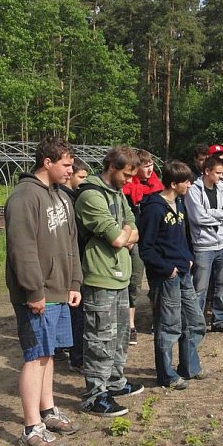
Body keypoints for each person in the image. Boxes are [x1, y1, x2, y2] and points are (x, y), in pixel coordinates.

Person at [4, 137, 83, 446]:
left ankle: (48, 411)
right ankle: (31, 427)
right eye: (66, 164)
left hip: (60, 290)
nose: (71, 170)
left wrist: (74, 282)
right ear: (47, 163)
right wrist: (34, 291)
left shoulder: (62, 197)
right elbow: (22, 250)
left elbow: (72, 242)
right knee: (35, 356)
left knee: (49, 354)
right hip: (37, 293)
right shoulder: (24, 197)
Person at [74, 146, 143, 417]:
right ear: (112, 167)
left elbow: (133, 226)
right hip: (100, 275)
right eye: (126, 174)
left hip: (120, 275)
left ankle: (114, 382)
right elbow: (117, 238)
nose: (129, 181)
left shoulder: (116, 192)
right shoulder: (91, 195)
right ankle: (95, 394)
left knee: (120, 334)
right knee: (100, 336)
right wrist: (124, 234)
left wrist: (125, 233)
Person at [137, 161, 206, 390]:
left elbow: (182, 238)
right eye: (186, 181)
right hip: (166, 277)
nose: (190, 184)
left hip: (184, 272)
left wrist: (188, 258)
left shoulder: (179, 203)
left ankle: (189, 367)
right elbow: (146, 247)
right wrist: (168, 269)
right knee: (168, 326)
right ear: (174, 184)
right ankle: (166, 375)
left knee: (194, 321)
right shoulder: (154, 208)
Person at [185, 155, 223, 333]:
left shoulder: (222, 188)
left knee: (222, 284)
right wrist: (220, 216)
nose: (222, 177)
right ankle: (196, 322)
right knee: (200, 287)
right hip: (203, 246)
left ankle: (220, 320)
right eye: (218, 173)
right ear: (207, 171)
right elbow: (198, 218)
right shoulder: (194, 191)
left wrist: (211, 212)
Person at [122, 149, 163, 344]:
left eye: (151, 165)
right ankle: (130, 325)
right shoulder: (126, 188)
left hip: (154, 240)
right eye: (145, 166)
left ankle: (157, 319)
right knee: (134, 283)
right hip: (136, 240)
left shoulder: (157, 186)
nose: (149, 169)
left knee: (157, 281)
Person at [59, 158, 90, 368]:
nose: (84, 181)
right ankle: (77, 357)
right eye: (81, 177)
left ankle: (69, 350)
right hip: (71, 260)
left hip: (76, 259)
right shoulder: (65, 199)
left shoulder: (73, 197)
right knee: (76, 311)